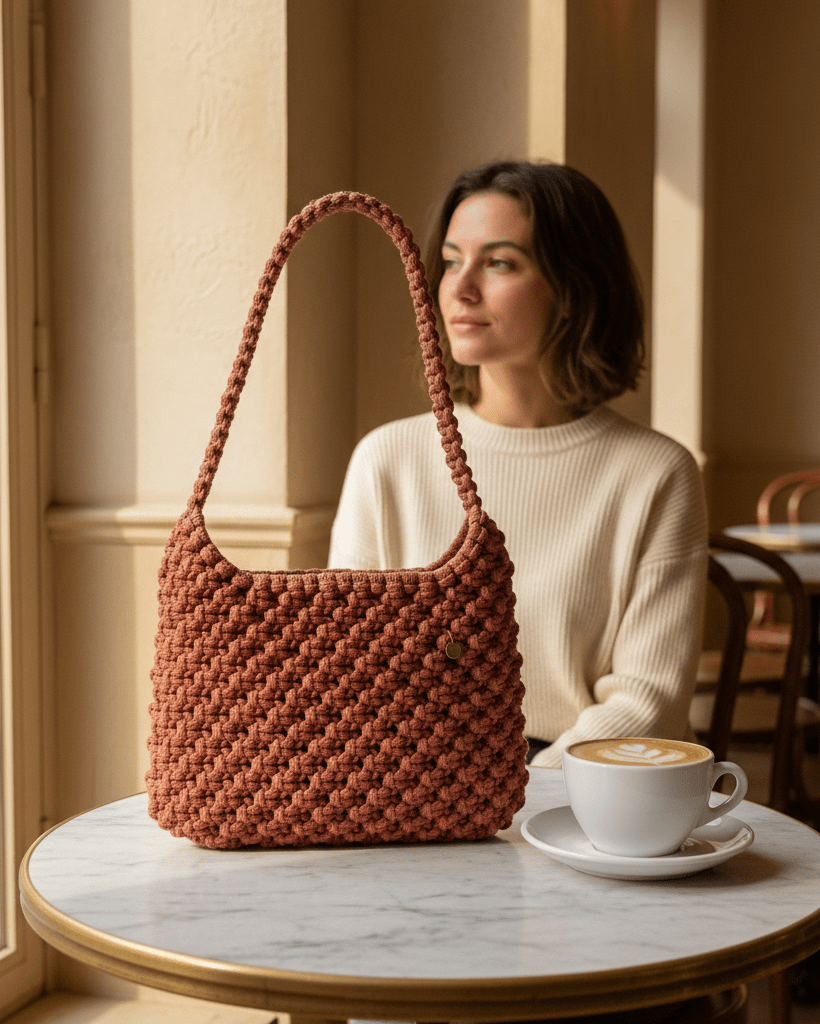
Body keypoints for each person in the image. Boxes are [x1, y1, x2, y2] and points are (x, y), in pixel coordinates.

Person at [328, 160, 708, 768]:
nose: (459, 287)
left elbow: (649, 699)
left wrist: (519, 791)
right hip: (411, 780)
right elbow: (349, 670)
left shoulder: (656, 473)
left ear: (574, 287)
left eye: (499, 262)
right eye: (451, 260)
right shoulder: (388, 460)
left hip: (589, 789)